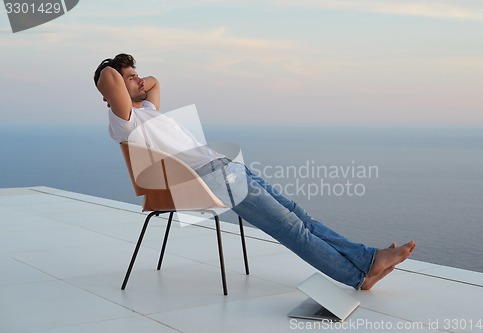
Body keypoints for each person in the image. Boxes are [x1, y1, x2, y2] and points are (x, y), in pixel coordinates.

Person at [94, 53, 416, 290]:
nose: (140, 80)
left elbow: (154, 83)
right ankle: (360, 273)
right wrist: (116, 72)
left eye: (138, 75)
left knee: (298, 214)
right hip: (207, 181)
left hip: (224, 170)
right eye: (131, 77)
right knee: (290, 228)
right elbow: (107, 76)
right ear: (114, 94)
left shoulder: (147, 110)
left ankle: (366, 263)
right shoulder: (124, 122)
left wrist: (132, 76)